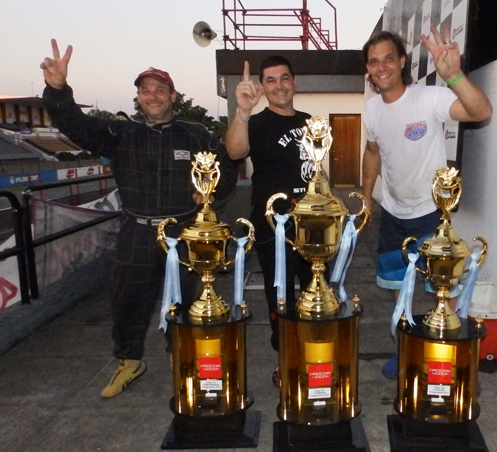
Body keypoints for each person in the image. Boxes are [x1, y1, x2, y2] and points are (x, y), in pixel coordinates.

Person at [40, 39, 238, 398]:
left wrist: (211, 191)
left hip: (185, 232)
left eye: (160, 89)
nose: (153, 95)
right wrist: (58, 90)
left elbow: (226, 167)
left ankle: (183, 357)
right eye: (145, 90)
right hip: (137, 229)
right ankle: (129, 361)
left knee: (190, 300)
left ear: (173, 95)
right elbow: (76, 125)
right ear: (139, 97)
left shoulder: (196, 134)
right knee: (127, 298)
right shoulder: (121, 133)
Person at [360, 28, 493, 379]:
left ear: (402, 61)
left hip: (433, 215)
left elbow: (480, 111)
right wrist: (366, 198)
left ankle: (442, 360)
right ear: (369, 69)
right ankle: (404, 348)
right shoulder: (372, 109)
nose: (381, 67)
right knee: (396, 288)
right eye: (374, 62)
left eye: (389, 58)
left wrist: (454, 76)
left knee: (443, 292)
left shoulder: (429, 98)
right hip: (392, 213)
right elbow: (372, 152)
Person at [224, 56, 317, 384]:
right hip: (272, 226)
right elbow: (235, 152)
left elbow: (317, 171)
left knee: (315, 291)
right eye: (271, 80)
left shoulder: (310, 122)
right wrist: (243, 111)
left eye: (284, 78)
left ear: (295, 82)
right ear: (263, 86)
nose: (279, 85)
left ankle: (314, 355)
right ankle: (287, 359)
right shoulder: (256, 122)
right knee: (280, 297)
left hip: (312, 225)